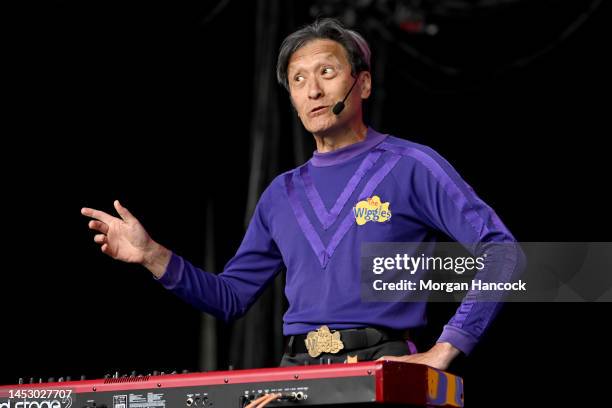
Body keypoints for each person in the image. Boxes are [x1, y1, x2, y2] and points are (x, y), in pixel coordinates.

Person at [81, 18, 523, 407]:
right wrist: (152, 255)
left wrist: (447, 347)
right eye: (297, 79)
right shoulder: (281, 193)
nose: (312, 90)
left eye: (326, 73)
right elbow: (231, 297)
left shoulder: (410, 165)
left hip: (383, 372)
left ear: (362, 84)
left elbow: (503, 252)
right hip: (296, 376)